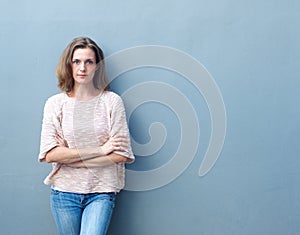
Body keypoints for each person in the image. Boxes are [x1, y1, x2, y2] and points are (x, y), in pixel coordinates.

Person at [38, 36, 134, 235]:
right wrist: (101, 150)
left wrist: (73, 159)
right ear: (69, 65)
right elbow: (50, 154)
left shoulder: (111, 102)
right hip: (64, 193)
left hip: (101, 192)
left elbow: (122, 154)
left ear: (97, 67)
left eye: (89, 62)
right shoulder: (55, 104)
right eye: (77, 62)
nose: (82, 68)